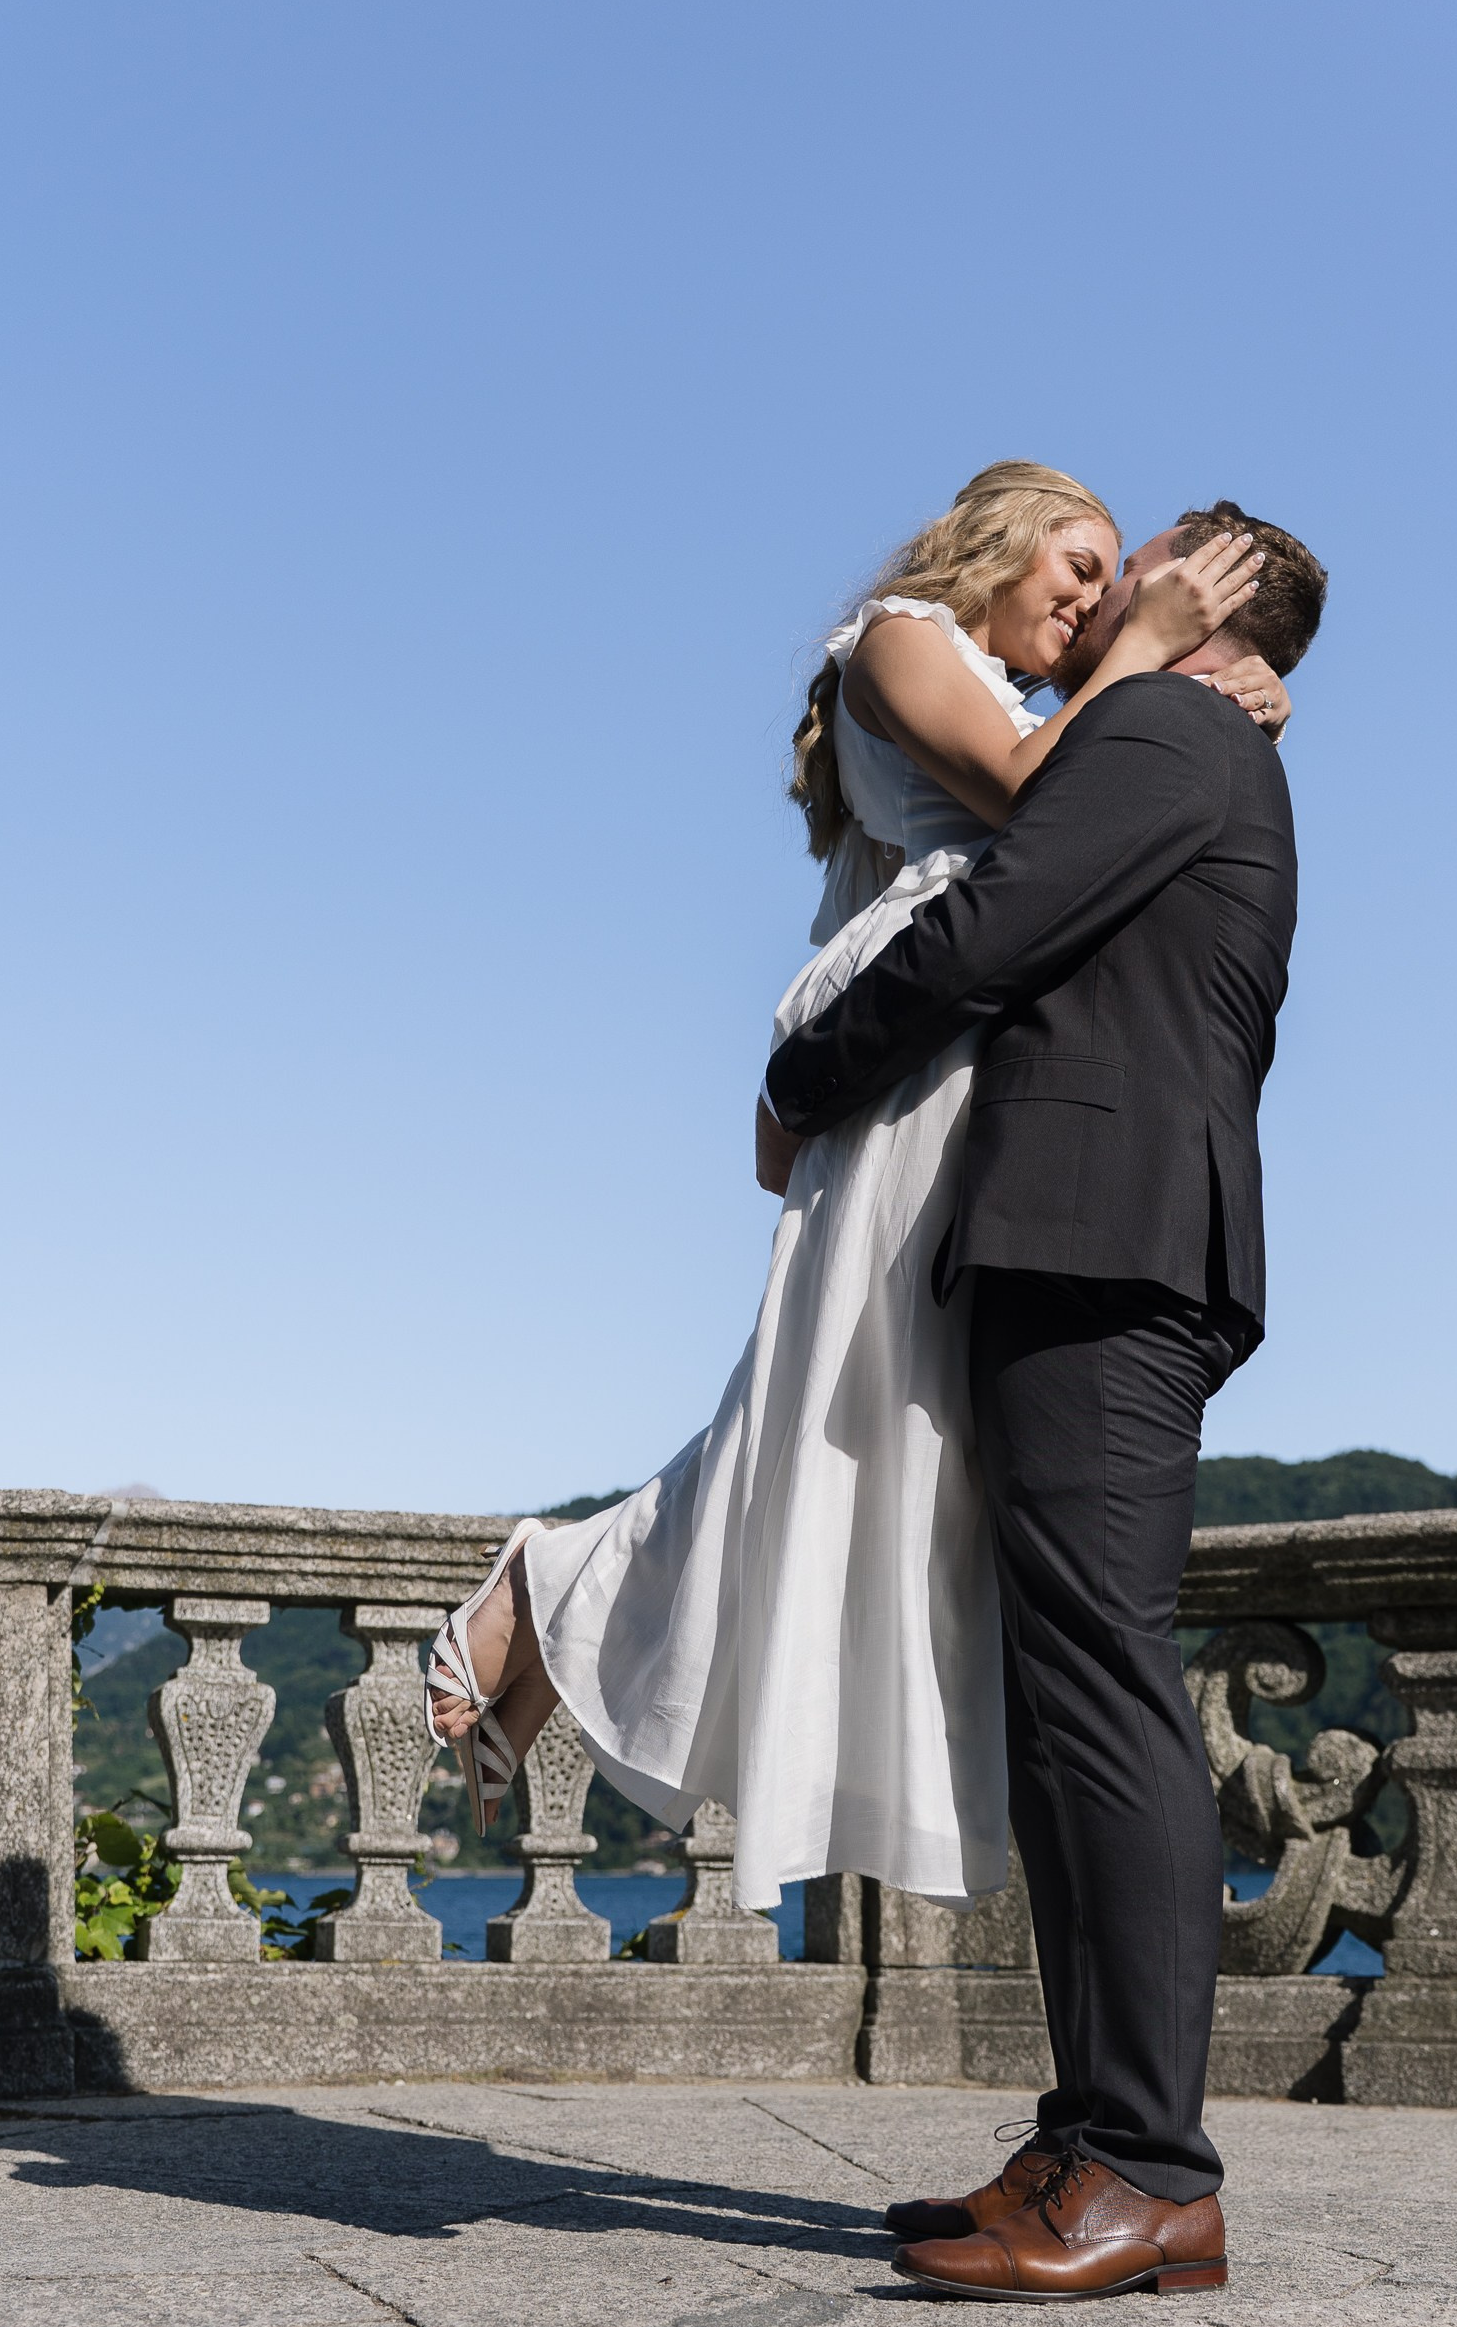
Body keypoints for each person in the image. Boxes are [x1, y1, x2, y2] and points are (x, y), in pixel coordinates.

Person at [426, 463, 1284, 1921]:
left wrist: (1198, 687)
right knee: (828, 1391)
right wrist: (1147, 666)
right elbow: (1033, 800)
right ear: (989, 546)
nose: (1088, 600)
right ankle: (547, 1589)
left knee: (857, 1409)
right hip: (917, 1014)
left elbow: (1090, 792)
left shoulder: (1041, 689)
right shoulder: (898, 632)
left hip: (966, 1037)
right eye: (1072, 566)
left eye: (1105, 581)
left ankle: (559, 1612)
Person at [760, 497, 1328, 2303]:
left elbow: (996, 927)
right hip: (1099, 1238)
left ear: (1207, 581)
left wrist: (803, 1063)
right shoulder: (1174, 725)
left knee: (1104, 1687)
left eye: (1147, 550)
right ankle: (1093, 2137)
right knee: (1074, 1689)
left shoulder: (1162, 728)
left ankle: (1152, 2169)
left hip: (1104, 1239)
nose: (1104, 585)